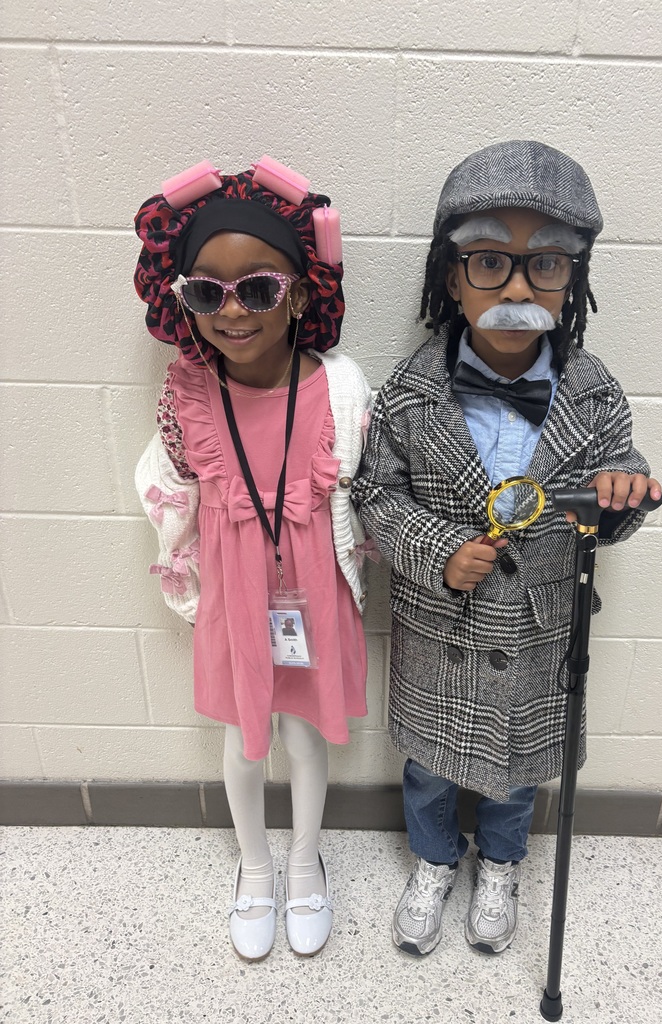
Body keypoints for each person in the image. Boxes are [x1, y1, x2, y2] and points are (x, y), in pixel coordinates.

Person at [353, 140, 662, 958]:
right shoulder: (409, 393)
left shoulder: (594, 393)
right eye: (491, 261)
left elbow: (616, 481)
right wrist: (437, 548)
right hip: (442, 626)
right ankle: (433, 860)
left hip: (539, 628)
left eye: (546, 264)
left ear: (572, 280)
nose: (519, 288)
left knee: (519, 768)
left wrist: (624, 493)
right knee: (429, 764)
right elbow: (374, 494)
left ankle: (500, 863)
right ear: (451, 276)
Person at [134, 160, 372, 961]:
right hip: (236, 595)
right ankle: (256, 866)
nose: (233, 311)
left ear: (300, 294)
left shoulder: (342, 391)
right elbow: (171, 490)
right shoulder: (187, 398)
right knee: (244, 739)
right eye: (208, 293)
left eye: (259, 289)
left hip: (311, 596)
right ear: (184, 303)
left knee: (304, 736)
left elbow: (364, 492)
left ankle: (305, 861)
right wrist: (188, 585)